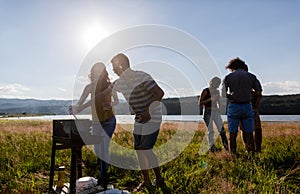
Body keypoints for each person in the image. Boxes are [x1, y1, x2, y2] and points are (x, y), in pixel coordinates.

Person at [110, 53, 166, 192]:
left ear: (121, 65)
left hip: (152, 115)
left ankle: (159, 179)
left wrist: (147, 112)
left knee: (145, 149)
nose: (113, 70)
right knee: (139, 150)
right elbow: (106, 90)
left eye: (114, 66)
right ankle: (147, 181)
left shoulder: (142, 76)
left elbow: (159, 93)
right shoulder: (119, 82)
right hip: (139, 117)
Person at [69, 62, 119, 190]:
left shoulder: (110, 86)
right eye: (95, 72)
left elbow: (117, 101)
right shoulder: (89, 88)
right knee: (98, 150)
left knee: (104, 147)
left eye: (100, 71)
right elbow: (80, 104)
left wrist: (110, 105)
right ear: (92, 74)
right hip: (96, 122)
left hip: (109, 120)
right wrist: (74, 108)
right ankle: (102, 177)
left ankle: (103, 177)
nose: (98, 74)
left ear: (104, 73)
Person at [222, 57, 262, 155]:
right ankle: (251, 155)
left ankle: (233, 155)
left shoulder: (228, 77)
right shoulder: (251, 76)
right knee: (248, 132)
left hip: (234, 106)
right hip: (247, 106)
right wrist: (248, 93)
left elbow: (223, 93)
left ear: (232, 67)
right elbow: (258, 92)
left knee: (232, 133)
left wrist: (231, 96)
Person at [199, 77, 228, 152]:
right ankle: (212, 148)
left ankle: (226, 148)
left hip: (216, 112)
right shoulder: (205, 91)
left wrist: (219, 107)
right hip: (207, 112)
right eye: (217, 84)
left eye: (218, 84)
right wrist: (210, 99)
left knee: (222, 130)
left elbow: (218, 102)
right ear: (212, 83)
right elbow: (200, 103)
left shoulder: (217, 91)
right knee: (210, 131)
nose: (218, 86)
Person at [240, 65, 263, 153]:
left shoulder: (252, 78)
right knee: (244, 129)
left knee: (257, 129)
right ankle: (248, 148)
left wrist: (255, 107)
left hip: (251, 107)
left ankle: (257, 149)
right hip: (242, 107)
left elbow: (259, 93)